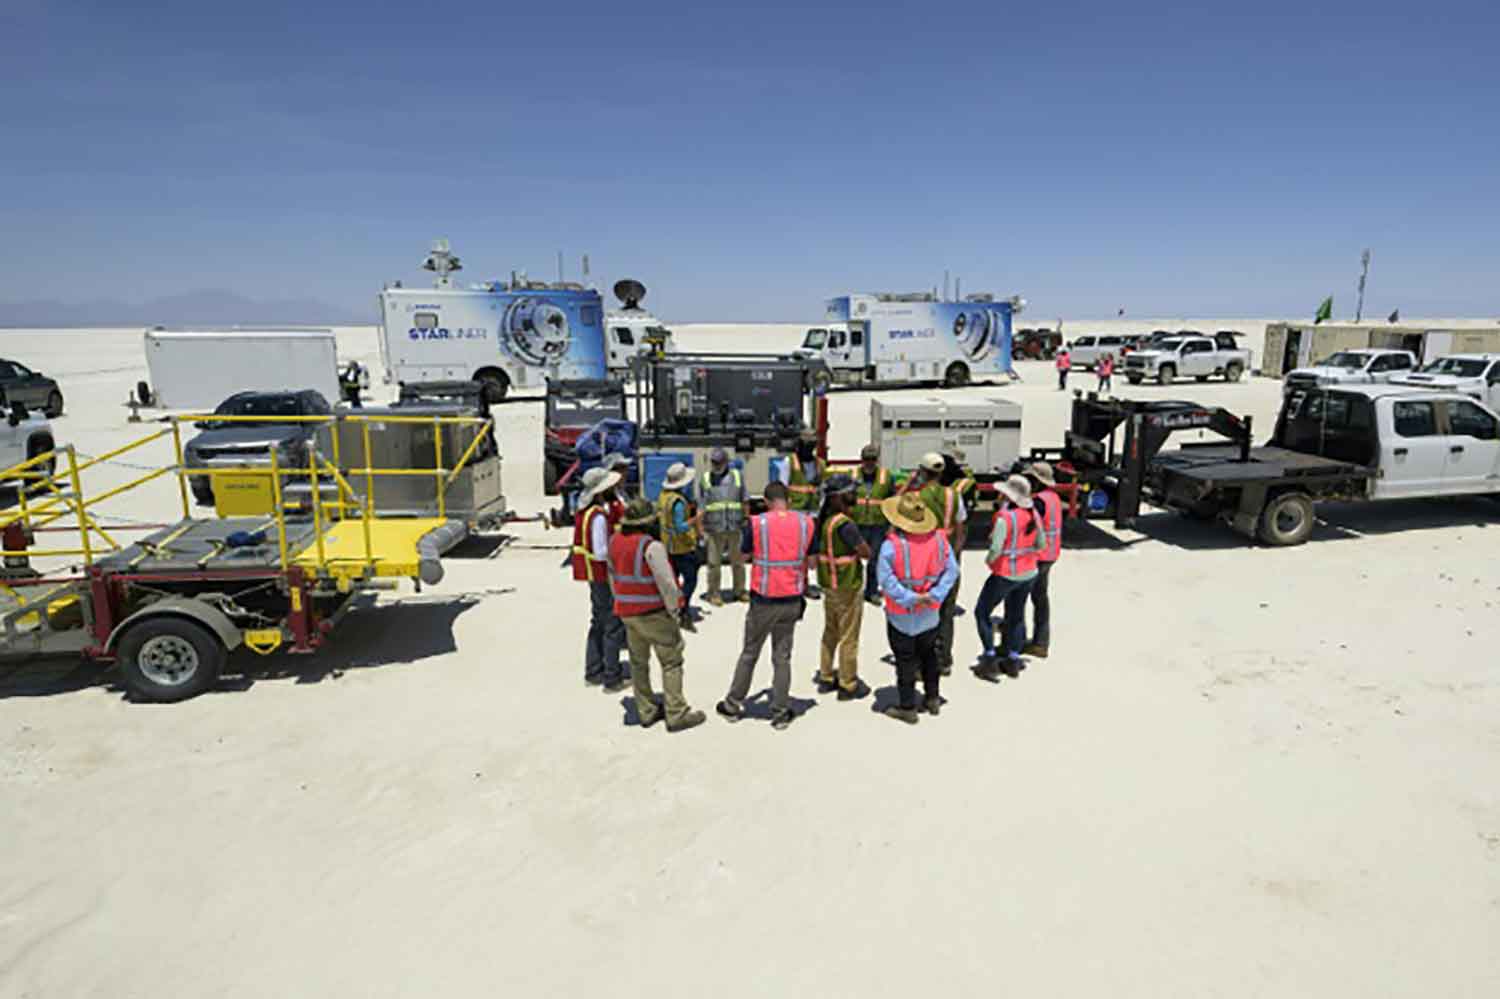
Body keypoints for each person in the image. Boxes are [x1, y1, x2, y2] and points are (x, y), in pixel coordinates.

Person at [717, 480, 815, 731]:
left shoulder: (757, 523)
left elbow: (743, 556)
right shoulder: (806, 523)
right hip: (792, 598)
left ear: (768, 502)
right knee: (782, 657)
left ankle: (733, 703)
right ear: (788, 500)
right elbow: (812, 562)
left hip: (764, 598)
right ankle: (781, 711)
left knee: (750, 652)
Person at [608, 499, 706, 732]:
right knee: (671, 661)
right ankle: (676, 713)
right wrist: (675, 610)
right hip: (653, 612)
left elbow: (612, 577)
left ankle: (646, 710)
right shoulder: (651, 546)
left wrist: (621, 602)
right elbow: (667, 583)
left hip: (627, 612)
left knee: (638, 663)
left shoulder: (614, 542)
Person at [877, 492, 959, 724]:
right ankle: (932, 698)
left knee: (905, 660)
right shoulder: (940, 541)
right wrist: (934, 595)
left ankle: (907, 706)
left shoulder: (890, 547)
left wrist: (911, 597)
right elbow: (952, 571)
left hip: (901, 615)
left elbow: (886, 581)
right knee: (929, 655)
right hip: (930, 612)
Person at [974, 475, 1047, 681]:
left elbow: (996, 548)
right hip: (1029, 572)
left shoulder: (1005, 518)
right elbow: (1042, 544)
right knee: (1016, 616)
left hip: (1006, 573)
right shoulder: (1033, 514)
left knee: (982, 612)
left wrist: (990, 561)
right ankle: (1013, 660)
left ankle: (989, 658)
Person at [811, 475, 873, 700]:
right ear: (837, 497)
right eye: (850, 492)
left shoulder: (826, 521)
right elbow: (866, 552)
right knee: (849, 636)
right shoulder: (845, 525)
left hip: (830, 585)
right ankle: (848, 683)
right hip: (848, 585)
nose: (854, 495)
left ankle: (826, 676)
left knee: (831, 631)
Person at [906, 452, 967, 676]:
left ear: (922, 472)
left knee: (924, 612)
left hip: (925, 563)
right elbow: (961, 530)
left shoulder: (917, 497)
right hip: (948, 558)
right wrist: (954, 556)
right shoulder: (954, 496)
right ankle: (944, 660)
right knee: (947, 611)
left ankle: (925, 663)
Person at [572, 466, 626, 691]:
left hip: (593, 575)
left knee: (597, 622)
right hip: (603, 575)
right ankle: (611, 676)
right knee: (612, 624)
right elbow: (602, 551)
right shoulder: (598, 517)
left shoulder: (584, 512)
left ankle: (594, 671)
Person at [699, 448, 749, 606]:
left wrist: (746, 519)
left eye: (719, 463)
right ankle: (713, 593)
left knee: (738, 561)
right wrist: (700, 528)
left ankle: (739, 590)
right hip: (714, 528)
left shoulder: (737, 476)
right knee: (714, 563)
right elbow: (701, 505)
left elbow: (744, 499)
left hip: (735, 525)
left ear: (726, 462)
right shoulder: (706, 479)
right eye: (714, 462)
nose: (716, 466)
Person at [1024, 462, 1063, 659]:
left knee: (1024, 595)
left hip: (1038, 556)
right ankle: (1040, 640)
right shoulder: (1054, 498)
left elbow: (1028, 526)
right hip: (1051, 554)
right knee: (1040, 597)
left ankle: (1037, 642)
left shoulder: (1039, 501)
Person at [656, 462, 701, 632]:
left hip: (667, 545)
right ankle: (683, 608)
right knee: (690, 579)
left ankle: (671, 608)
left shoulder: (663, 496)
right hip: (682, 547)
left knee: (672, 580)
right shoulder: (678, 502)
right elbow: (680, 527)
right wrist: (695, 520)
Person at [851, 444, 893, 606]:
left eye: (872, 459)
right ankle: (855, 591)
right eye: (866, 459)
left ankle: (872, 591)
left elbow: (891, 502)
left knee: (874, 560)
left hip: (878, 524)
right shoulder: (853, 475)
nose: (869, 463)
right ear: (862, 460)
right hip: (857, 523)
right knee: (853, 559)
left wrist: (891, 525)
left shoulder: (886, 476)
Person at [786, 428, 826, 599]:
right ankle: (794, 583)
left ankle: (805, 583)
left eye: (811, 445)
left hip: (813, 513)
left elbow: (823, 489)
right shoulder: (789, 462)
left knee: (810, 552)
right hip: (795, 513)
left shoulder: (820, 464)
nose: (808, 449)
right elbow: (782, 486)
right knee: (795, 552)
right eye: (806, 445)